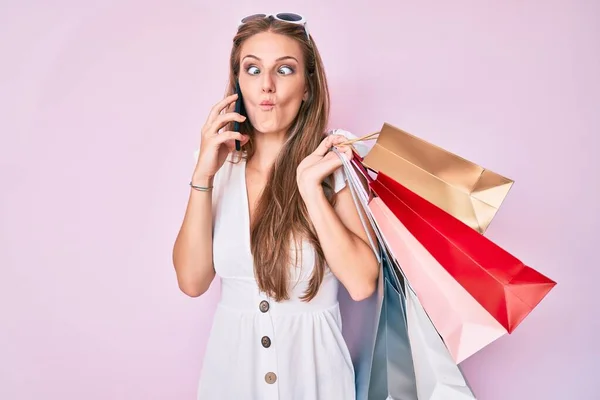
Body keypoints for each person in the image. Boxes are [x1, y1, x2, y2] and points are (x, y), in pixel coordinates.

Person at [172, 13, 379, 400]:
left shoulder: (331, 166)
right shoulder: (218, 169)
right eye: (252, 70)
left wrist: (309, 189)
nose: (266, 85)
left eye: (284, 69)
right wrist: (203, 173)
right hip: (230, 380)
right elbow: (192, 281)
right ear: (237, 83)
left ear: (306, 88)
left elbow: (362, 282)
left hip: (316, 381)